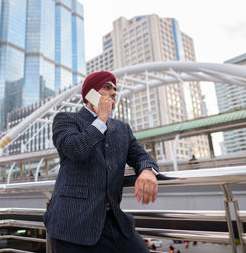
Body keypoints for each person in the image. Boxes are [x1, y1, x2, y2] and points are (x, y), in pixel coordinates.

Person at [43, 71, 159, 253]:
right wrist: (101, 119)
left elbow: (142, 156)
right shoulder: (66, 120)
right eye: (107, 87)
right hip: (72, 225)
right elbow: (76, 150)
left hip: (115, 223)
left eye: (115, 89)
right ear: (90, 94)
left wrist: (147, 171)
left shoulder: (122, 129)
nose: (113, 92)